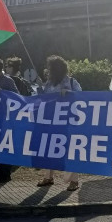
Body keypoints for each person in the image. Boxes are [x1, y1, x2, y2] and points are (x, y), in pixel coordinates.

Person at [37, 55, 81, 191]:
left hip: (67, 123)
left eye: (50, 68)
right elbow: (43, 100)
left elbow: (81, 98)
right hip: (50, 122)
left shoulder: (72, 82)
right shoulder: (49, 84)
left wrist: (68, 93)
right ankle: (48, 177)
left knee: (68, 151)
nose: (47, 71)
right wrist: (39, 88)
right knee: (48, 148)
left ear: (56, 69)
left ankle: (73, 180)